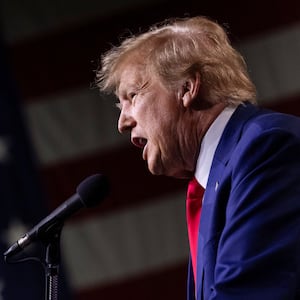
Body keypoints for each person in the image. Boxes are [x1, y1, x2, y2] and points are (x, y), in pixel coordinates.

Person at [96, 16, 300, 300]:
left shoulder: (265, 147)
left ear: (186, 89)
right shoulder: (211, 180)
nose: (122, 122)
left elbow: (248, 292)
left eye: (132, 96)